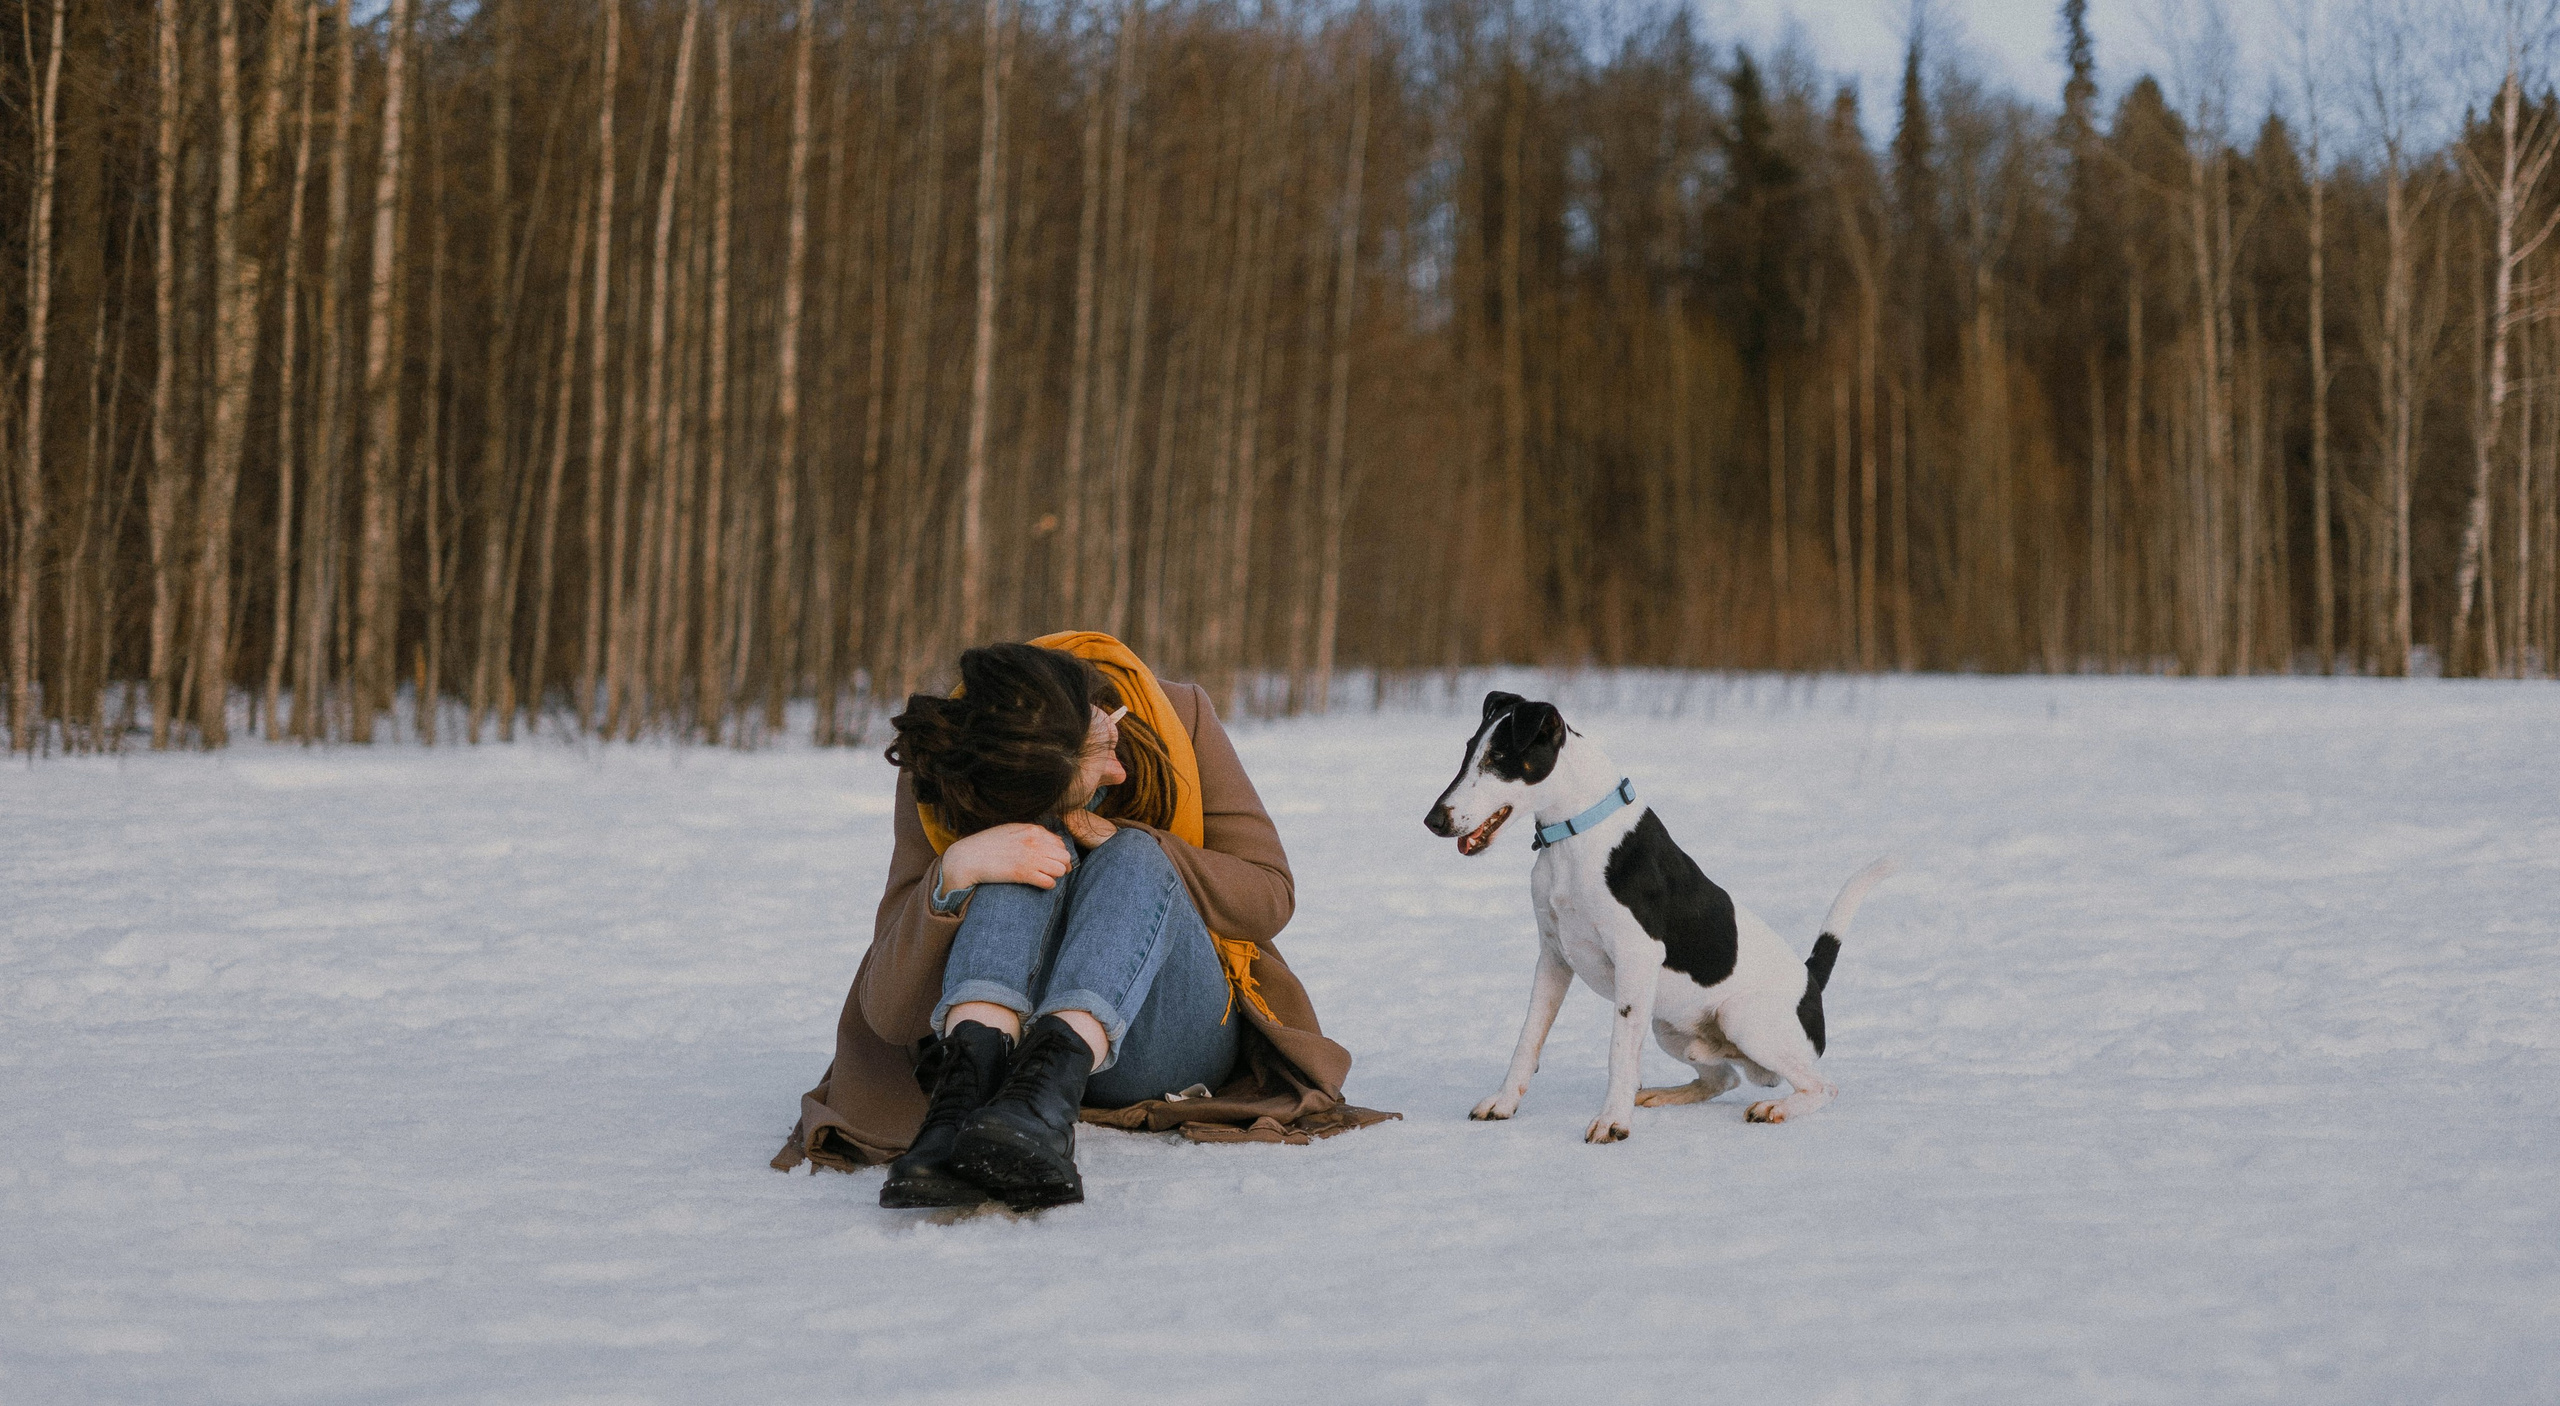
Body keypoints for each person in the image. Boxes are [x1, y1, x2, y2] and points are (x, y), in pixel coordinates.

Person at [772, 631, 1391, 1210]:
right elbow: (889, 1012)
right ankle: (956, 1114)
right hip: (998, 1048)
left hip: (1162, 1033)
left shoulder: (1180, 716)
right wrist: (954, 873)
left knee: (1130, 854)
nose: (1119, 773)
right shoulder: (952, 768)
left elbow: (1270, 894)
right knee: (1024, 853)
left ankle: (1045, 1102)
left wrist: (1140, 841)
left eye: (1108, 742)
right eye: (1099, 769)